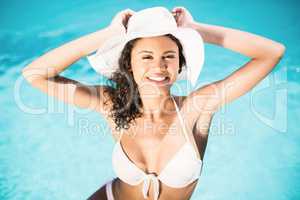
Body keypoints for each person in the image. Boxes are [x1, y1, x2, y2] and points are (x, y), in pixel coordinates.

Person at [22, 6, 285, 200]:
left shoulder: (197, 108)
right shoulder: (112, 105)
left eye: (168, 56)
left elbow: (272, 53)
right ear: (129, 64)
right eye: (146, 57)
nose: (158, 67)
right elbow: (34, 75)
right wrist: (108, 35)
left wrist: (198, 31)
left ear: (180, 63)